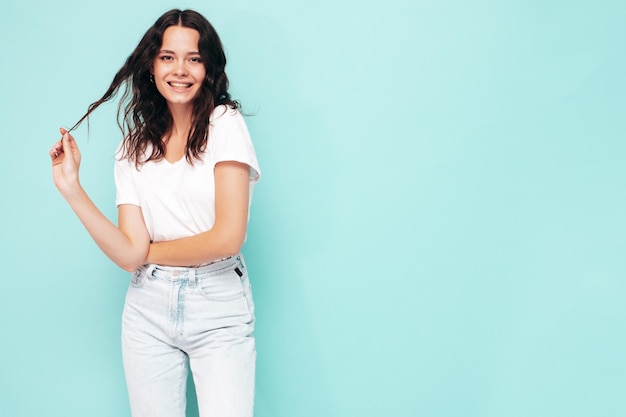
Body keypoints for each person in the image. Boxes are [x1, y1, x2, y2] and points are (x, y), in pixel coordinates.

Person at [48, 9, 260, 417]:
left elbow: (227, 237)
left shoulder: (224, 123)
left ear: (208, 67)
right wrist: (72, 189)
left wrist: (147, 254)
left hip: (217, 302)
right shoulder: (133, 148)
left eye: (194, 58)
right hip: (147, 308)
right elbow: (128, 253)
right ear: (151, 64)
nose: (180, 69)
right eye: (168, 57)